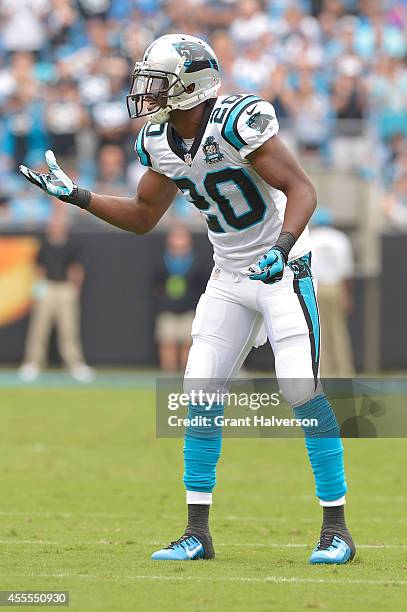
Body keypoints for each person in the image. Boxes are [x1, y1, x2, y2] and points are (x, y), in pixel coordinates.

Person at [19, 33, 355, 565]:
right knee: (198, 390)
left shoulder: (237, 120)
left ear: (190, 85)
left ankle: (336, 529)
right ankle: (197, 532)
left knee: (299, 387)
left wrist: (284, 248)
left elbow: (303, 190)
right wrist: (78, 196)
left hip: (282, 265)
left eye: (158, 82)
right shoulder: (158, 140)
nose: (146, 92)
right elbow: (141, 216)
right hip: (228, 270)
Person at [19, 210, 94, 383]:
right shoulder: (44, 246)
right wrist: (38, 291)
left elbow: (77, 270)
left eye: (58, 225)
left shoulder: (72, 246)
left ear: (64, 228)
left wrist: (74, 289)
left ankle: (74, 364)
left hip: (65, 289)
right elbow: (39, 270)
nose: (55, 228)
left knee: (69, 328)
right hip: (47, 288)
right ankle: (33, 363)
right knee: (39, 327)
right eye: (53, 225)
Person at [153, 225, 206, 372]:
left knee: (188, 343)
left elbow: (201, 286)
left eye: (182, 237)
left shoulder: (196, 261)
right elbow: (156, 285)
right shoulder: (162, 261)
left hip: (189, 310)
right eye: (175, 237)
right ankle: (168, 372)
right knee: (167, 341)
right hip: (168, 309)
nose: (178, 242)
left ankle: (186, 373)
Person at [310, 208, 355, 377]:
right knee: (339, 329)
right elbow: (347, 271)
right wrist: (347, 294)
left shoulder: (311, 238)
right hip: (336, 286)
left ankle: (325, 371)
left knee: (320, 330)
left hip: (318, 287)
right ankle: (344, 370)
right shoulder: (340, 238)